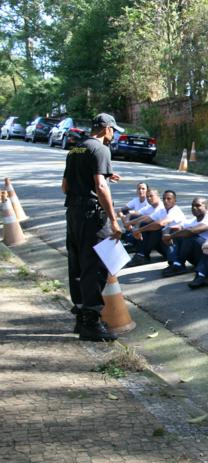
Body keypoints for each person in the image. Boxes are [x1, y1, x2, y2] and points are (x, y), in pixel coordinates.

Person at [62, 113, 123, 341]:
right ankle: (92, 321)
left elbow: (65, 185)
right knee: (96, 265)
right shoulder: (101, 149)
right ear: (106, 128)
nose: (113, 134)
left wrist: (101, 178)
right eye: (112, 130)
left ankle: (80, 316)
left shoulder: (76, 148)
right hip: (92, 216)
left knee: (77, 263)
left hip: (74, 213)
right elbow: (100, 186)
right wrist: (114, 220)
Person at [161, 197, 208, 277]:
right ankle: (176, 263)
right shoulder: (193, 221)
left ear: (206, 207)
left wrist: (170, 236)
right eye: (192, 205)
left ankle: (180, 264)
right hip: (198, 255)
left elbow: (191, 231)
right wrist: (166, 234)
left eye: (198, 205)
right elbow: (174, 227)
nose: (194, 208)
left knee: (189, 237)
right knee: (177, 233)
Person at [126, 190, 186, 266]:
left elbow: (160, 223)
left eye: (169, 199)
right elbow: (149, 218)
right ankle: (141, 254)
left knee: (157, 229)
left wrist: (138, 230)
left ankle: (143, 254)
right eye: (164, 198)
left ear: (175, 201)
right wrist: (134, 224)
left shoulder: (175, 211)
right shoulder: (163, 210)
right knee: (145, 224)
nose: (165, 201)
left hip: (175, 244)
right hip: (164, 242)